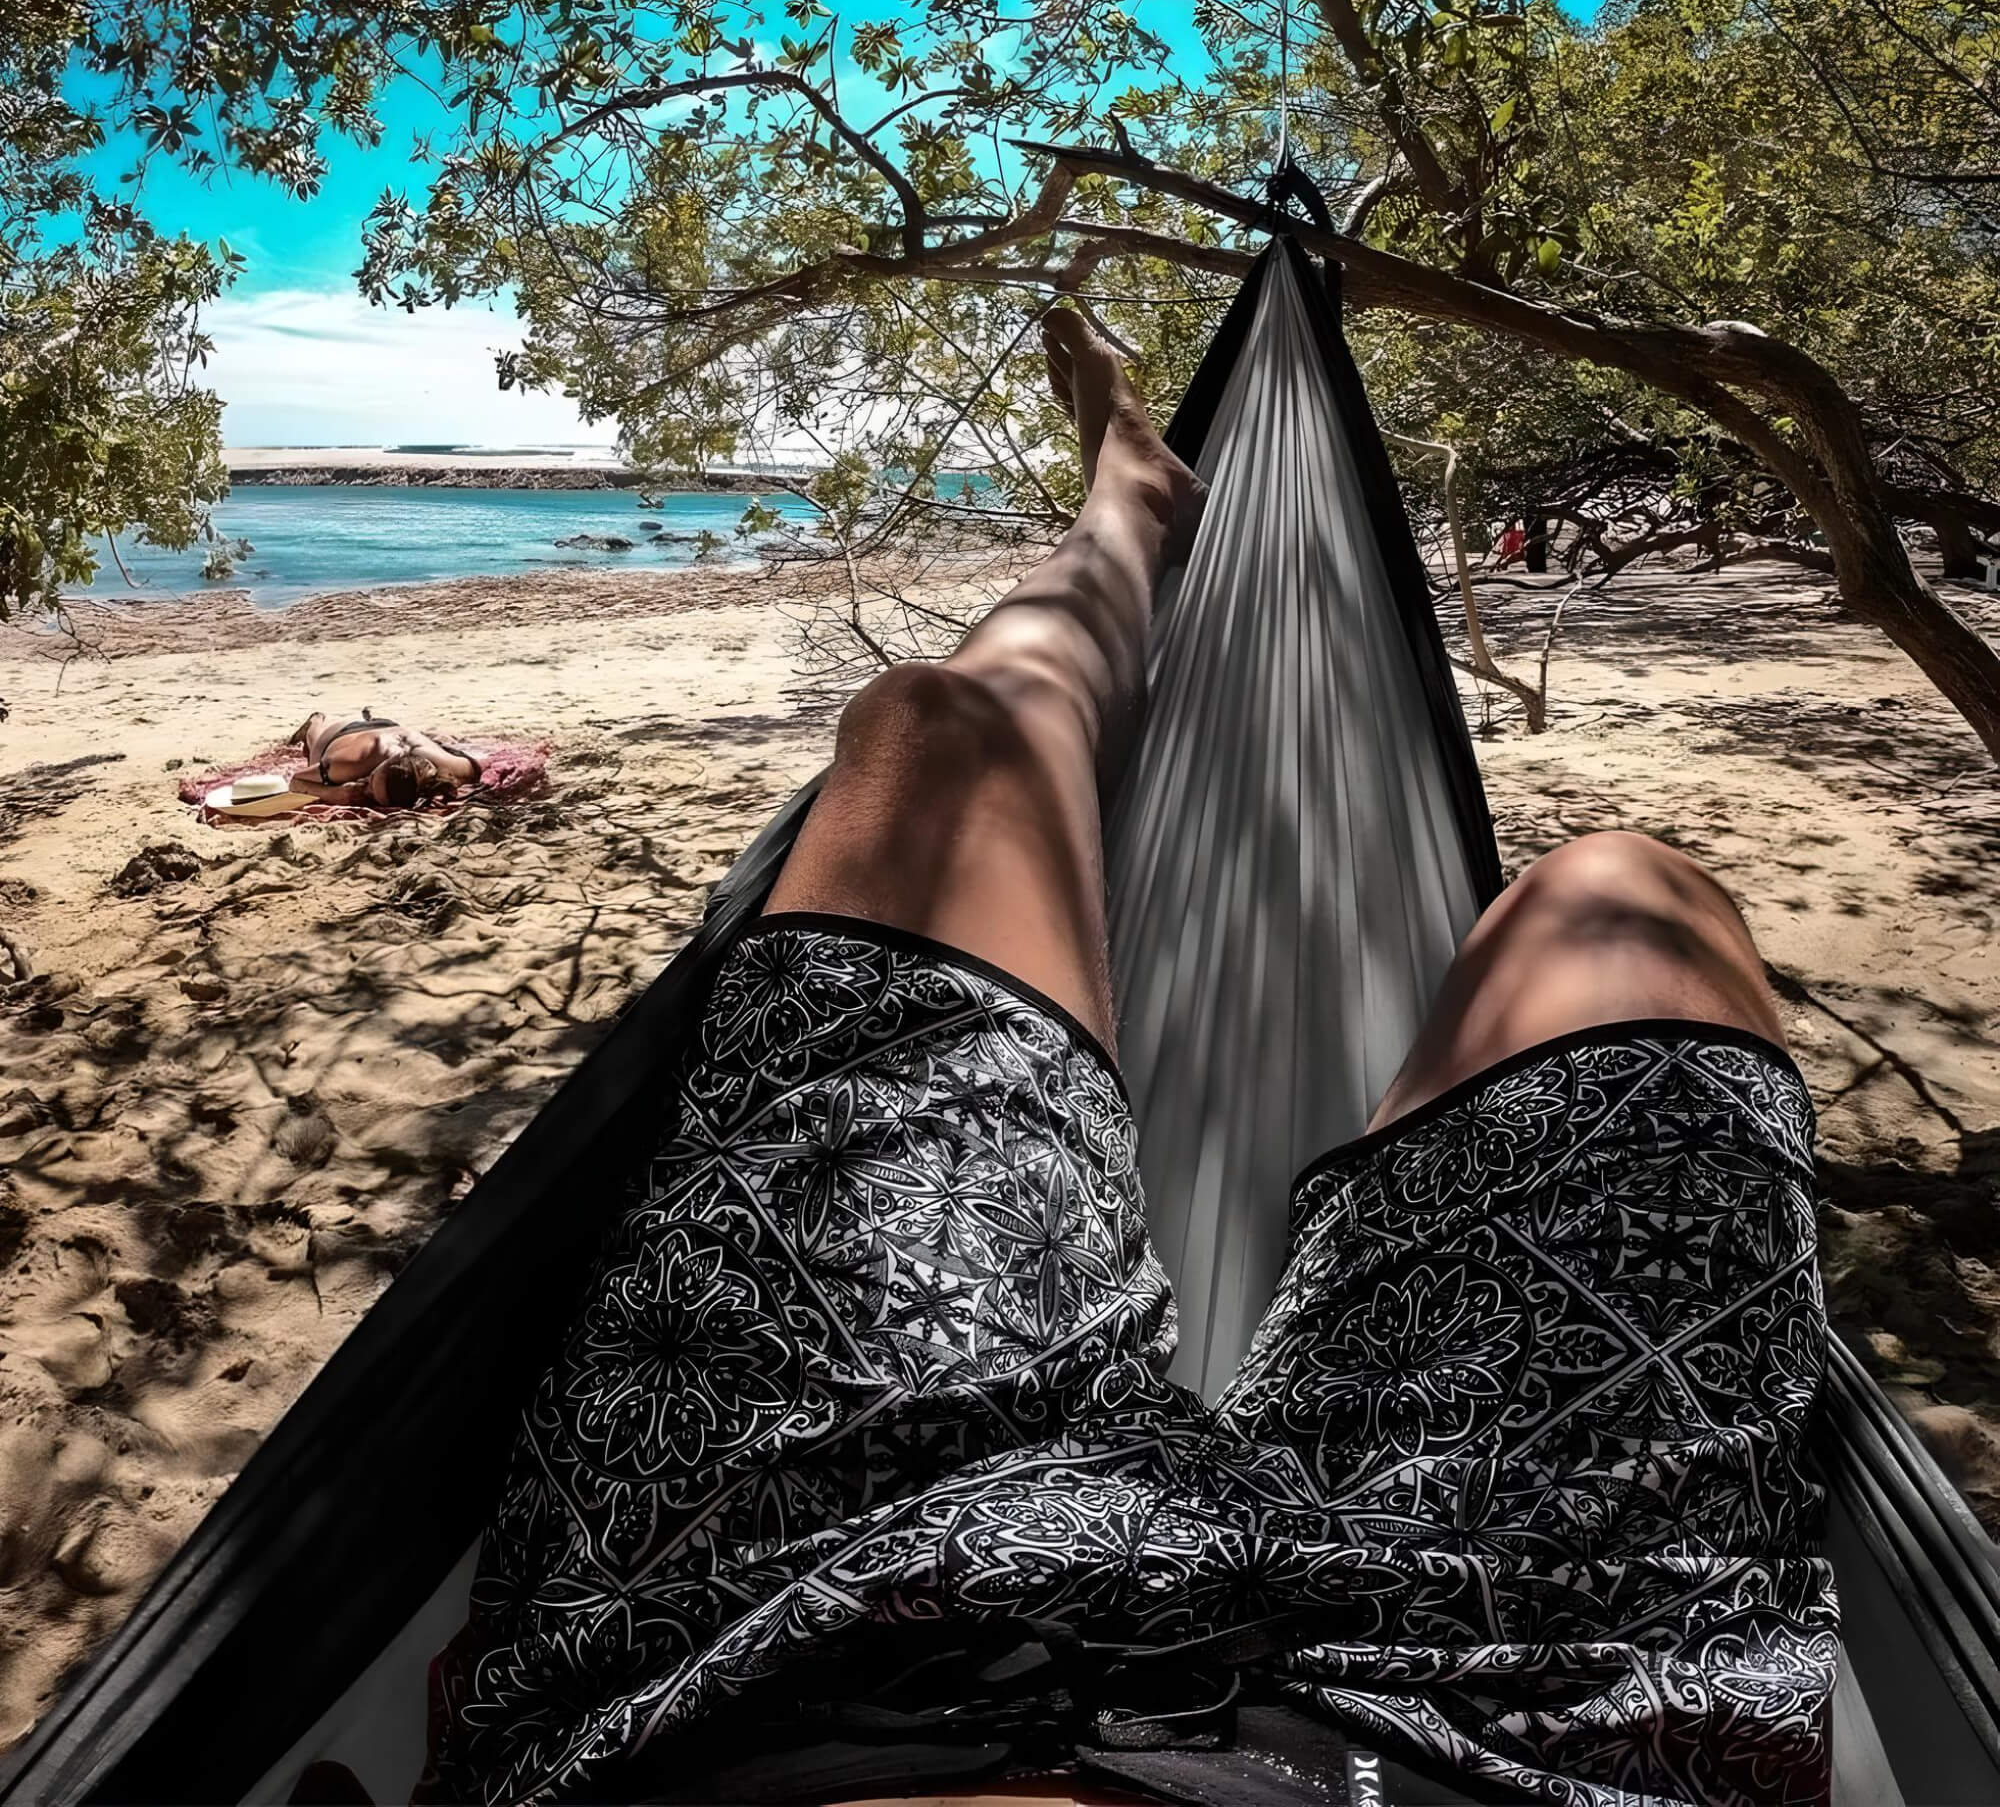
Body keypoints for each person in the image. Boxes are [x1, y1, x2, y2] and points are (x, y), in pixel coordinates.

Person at [417, 311, 1832, 1806]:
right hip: (1520, 1729)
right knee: (1626, 900)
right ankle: (1342, 1297)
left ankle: (1129, 510)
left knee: (934, 733)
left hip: (791, 1635)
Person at [283, 708, 482, 811]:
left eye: (370, 793)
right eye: (370, 783)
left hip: (395, 729)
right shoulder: (348, 763)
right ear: (375, 768)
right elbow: (296, 781)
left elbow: (476, 767)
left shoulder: (451, 768)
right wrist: (335, 794)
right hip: (344, 733)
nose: (365, 788)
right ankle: (314, 722)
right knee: (315, 754)